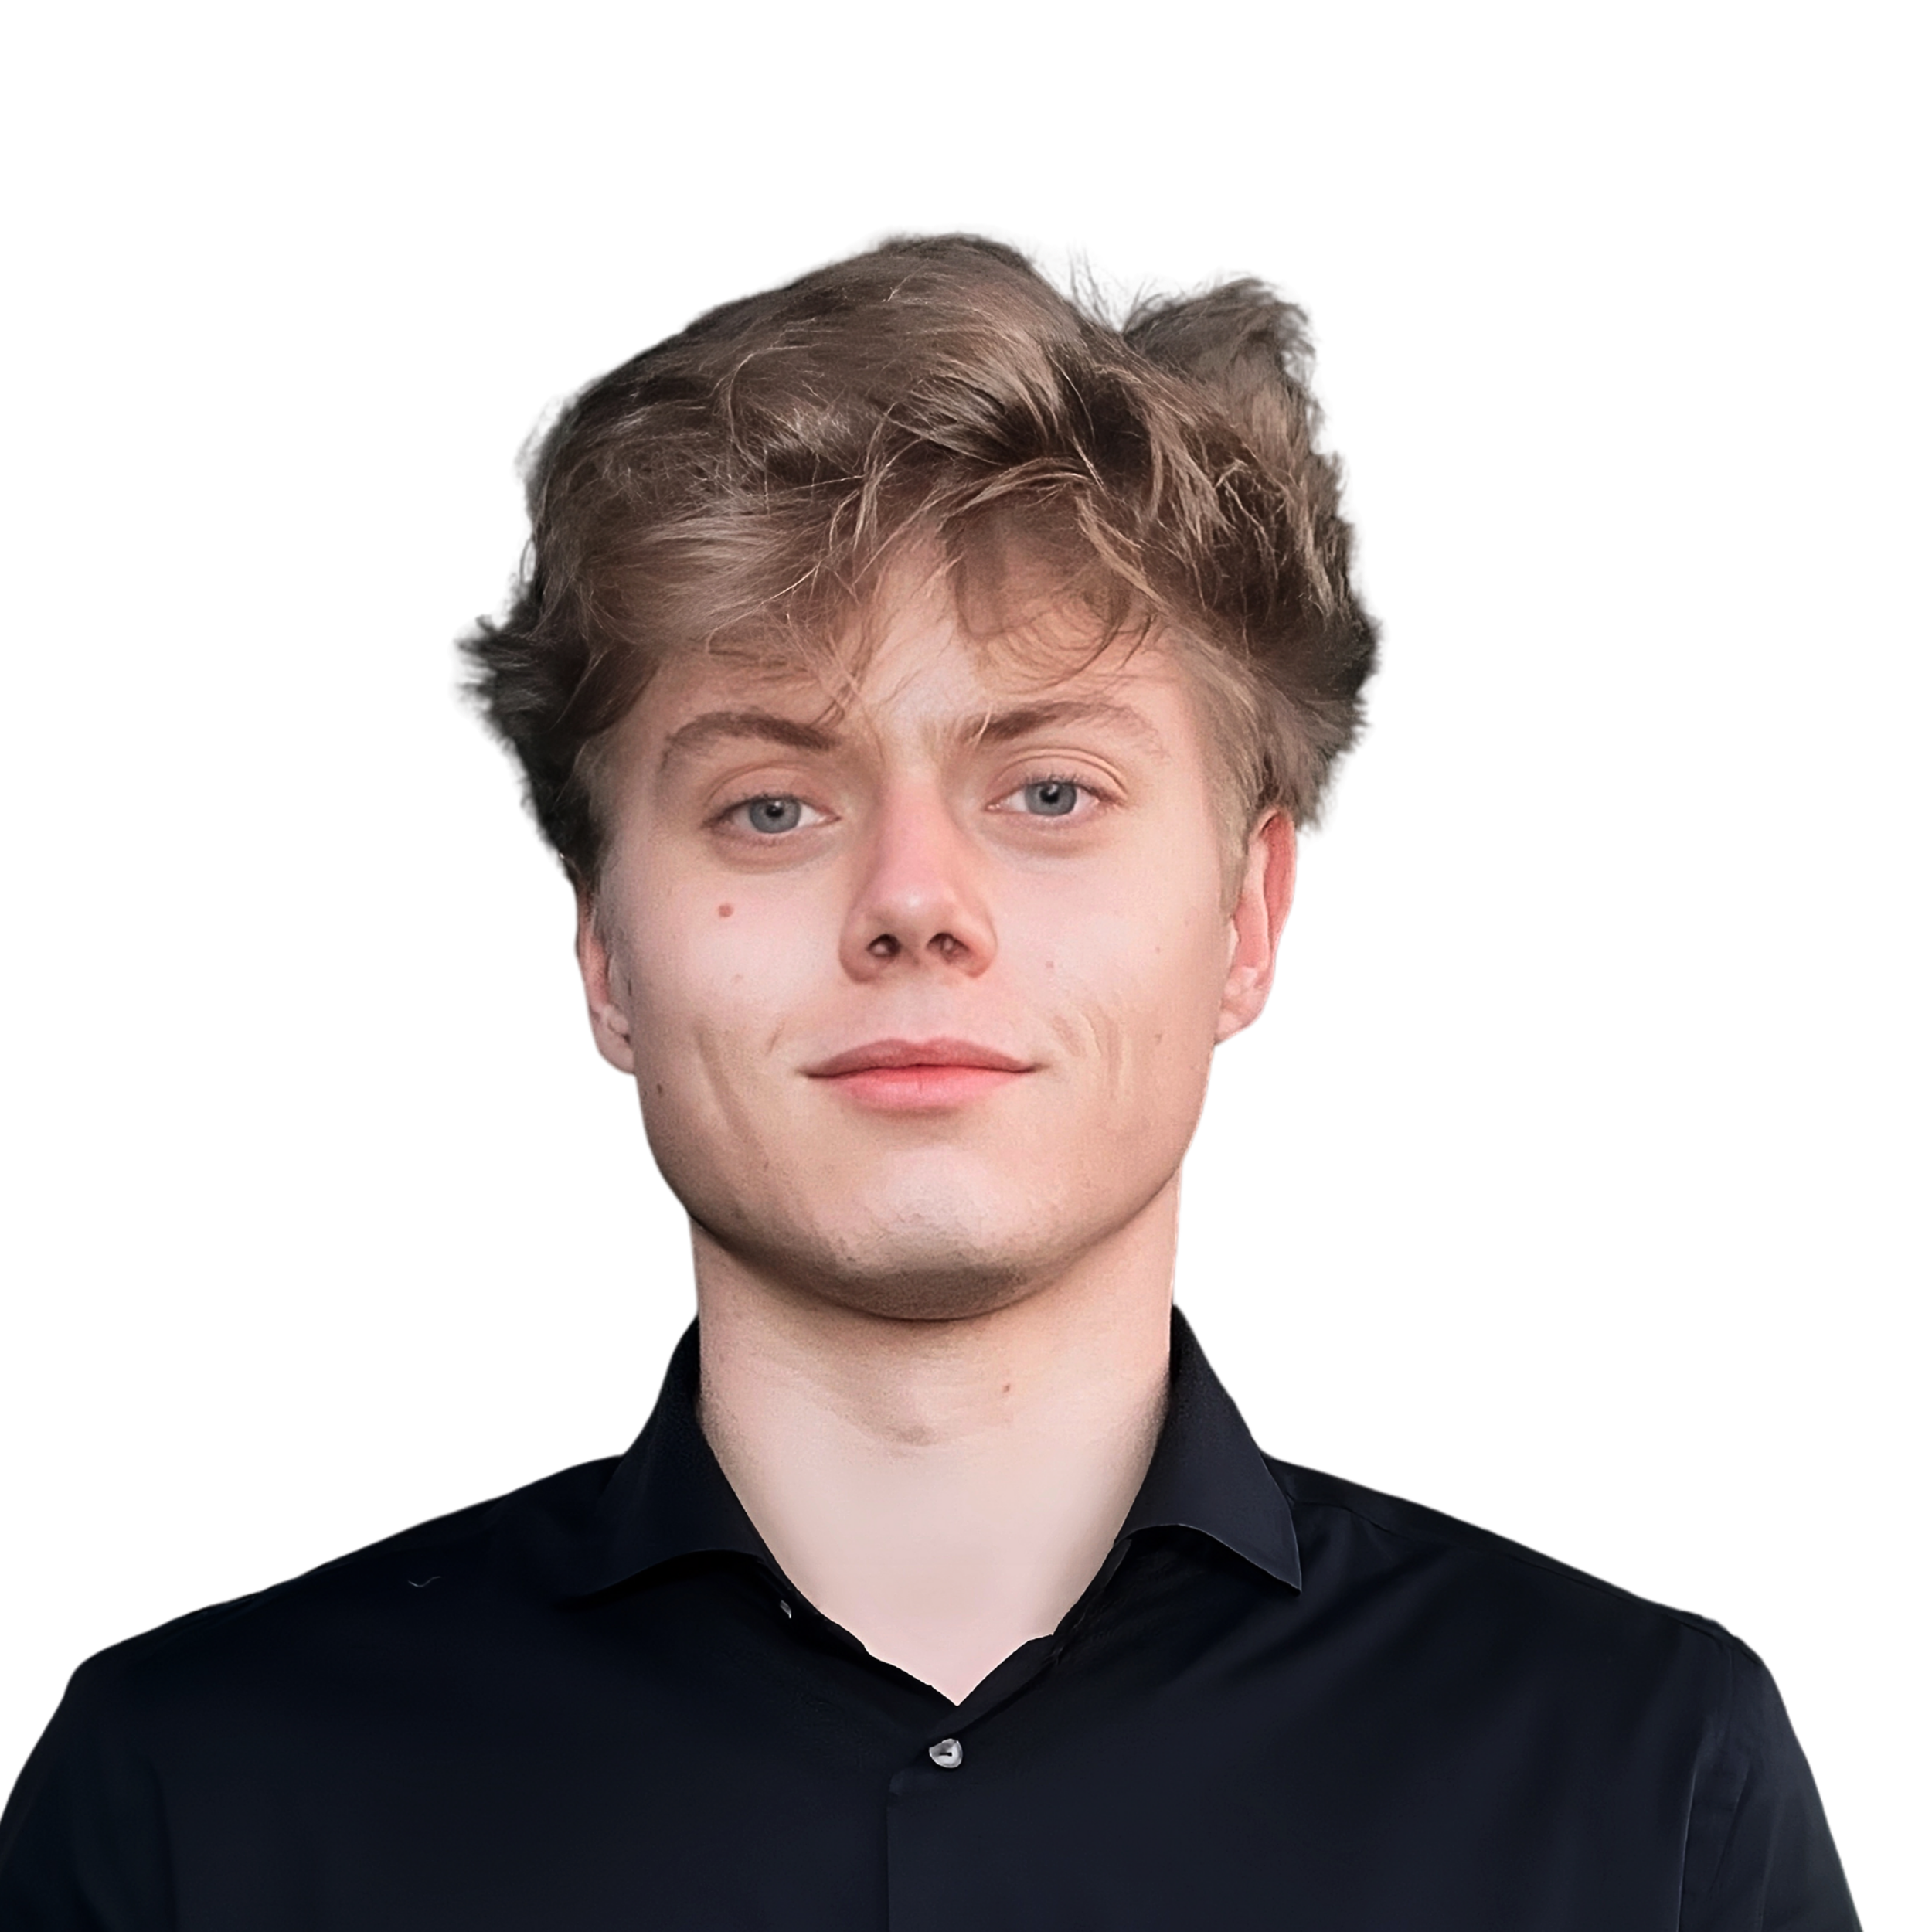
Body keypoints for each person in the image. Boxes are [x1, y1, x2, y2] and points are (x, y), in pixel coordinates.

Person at [0, 224, 1859, 1927]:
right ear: (601, 951)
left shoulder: (1641, 1775)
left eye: (1047, 789)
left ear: (1247, 915)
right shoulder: (192, 1798)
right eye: (772, 801)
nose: (911, 904)